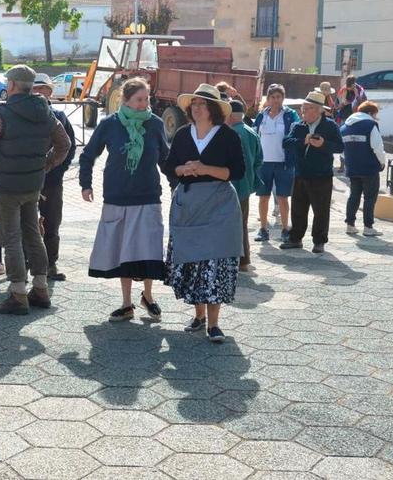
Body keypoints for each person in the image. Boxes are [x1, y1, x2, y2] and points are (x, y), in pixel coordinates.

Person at [0, 64, 70, 315]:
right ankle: (40, 289)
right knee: (33, 234)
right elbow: (65, 144)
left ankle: (18, 294)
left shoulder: (2, 114)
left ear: (12, 85)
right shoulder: (46, 112)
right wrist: (46, 164)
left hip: (7, 185)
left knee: (12, 239)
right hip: (33, 184)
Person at [79, 77, 168, 321]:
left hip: (148, 195)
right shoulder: (110, 124)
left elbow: (166, 161)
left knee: (149, 247)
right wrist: (85, 184)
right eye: (138, 100)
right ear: (125, 100)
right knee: (123, 250)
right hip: (117, 196)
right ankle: (127, 303)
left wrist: (181, 186)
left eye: (146, 99)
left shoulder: (155, 124)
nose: (143, 104)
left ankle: (148, 296)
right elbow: (88, 155)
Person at [161, 83, 244, 343]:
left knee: (216, 262)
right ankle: (199, 316)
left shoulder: (228, 136)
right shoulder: (184, 134)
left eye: (201, 104)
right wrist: (182, 170)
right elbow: (169, 166)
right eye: (193, 104)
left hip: (220, 204)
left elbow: (237, 171)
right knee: (193, 260)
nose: (196, 108)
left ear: (213, 109)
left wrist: (205, 168)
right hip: (189, 204)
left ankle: (215, 324)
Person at [280, 91, 344, 254]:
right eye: (303, 108)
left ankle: (319, 241)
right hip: (301, 173)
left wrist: (323, 144)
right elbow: (286, 142)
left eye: (307, 108)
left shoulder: (330, 126)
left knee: (321, 211)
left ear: (318, 110)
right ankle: (296, 239)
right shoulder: (298, 125)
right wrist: (304, 141)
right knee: (298, 209)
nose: (303, 111)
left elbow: (340, 147)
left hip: (321, 175)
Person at [32, 74, 77, 281]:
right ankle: (26, 263)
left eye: (43, 88)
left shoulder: (59, 115)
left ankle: (51, 263)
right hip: (28, 180)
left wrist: (58, 170)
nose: (39, 92)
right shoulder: (26, 115)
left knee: (52, 223)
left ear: (50, 92)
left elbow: (70, 147)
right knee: (27, 223)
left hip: (52, 181)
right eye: (35, 88)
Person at [253, 83, 300, 243]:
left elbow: (298, 133)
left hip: (283, 163)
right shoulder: (262, 116)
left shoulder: (290, 115)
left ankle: (286, 229)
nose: (275, 100)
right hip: (264, 163)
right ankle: (263, 229)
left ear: (283, 98)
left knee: (282, 197)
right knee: (263, 197)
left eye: (278, 97)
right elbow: (255, 135)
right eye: (272, 97)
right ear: (268, 98)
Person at [228, 100, 263, 272]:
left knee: (232, 223)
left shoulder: (230, 133)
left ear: (229, 115)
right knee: (242, 222)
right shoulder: (251, 132)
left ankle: (237, 260)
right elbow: (259, 160)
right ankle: (244, 260)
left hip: (230, 185)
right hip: (246, 184)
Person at [341, 100, 385, 236]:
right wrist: (382, 162)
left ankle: (350, 224)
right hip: (369, 168)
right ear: (370, 113)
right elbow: (378, 147)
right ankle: (368, 227)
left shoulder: (344, 127)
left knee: (354, 196)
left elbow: (341, 150)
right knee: (370, 197)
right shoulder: (370, 125)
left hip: (352, 168)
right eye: (375, 115)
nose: (375, 118)